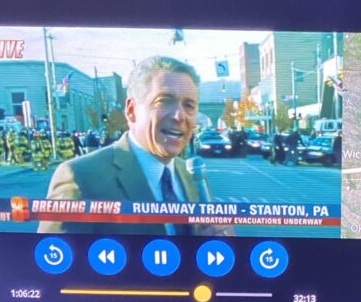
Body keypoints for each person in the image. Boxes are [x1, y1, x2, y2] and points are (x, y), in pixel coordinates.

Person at [37, 56, 230, 236]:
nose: (179, 116)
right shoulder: (80, 177)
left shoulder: (191, 176)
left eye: (189, 105)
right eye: (164, 101)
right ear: (131, 111)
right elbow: (52, 266)